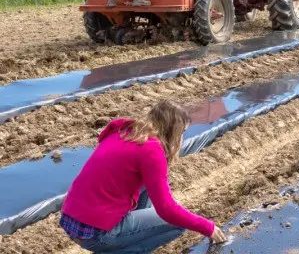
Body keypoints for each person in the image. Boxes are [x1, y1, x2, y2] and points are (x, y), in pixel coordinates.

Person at [59, 101, 227, 252]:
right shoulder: (151, 151)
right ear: (173, 131)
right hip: (96, 233)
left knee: (146, 187)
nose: (182, 138)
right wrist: (207, 227)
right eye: (182, 132)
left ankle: (125, 238)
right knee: (178, 223)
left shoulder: (124, 132)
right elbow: (167, 210)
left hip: (72, 219)